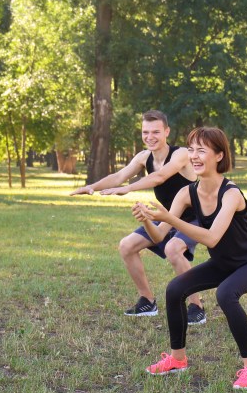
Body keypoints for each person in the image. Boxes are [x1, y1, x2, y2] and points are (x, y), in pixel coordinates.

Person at [133, 126, 247, 390]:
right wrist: (150, 220)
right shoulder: (187, 193)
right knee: (175, 289)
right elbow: (159, 235)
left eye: (202, 150)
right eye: (191, 149)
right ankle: (177, 359)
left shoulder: (231, 194)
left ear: (219, 155)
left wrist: (170, 218)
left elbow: (211, 238)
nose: (194, 156)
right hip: (223, 263)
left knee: (226, 294)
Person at [70, 110, 206, 324]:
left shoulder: (180, 154)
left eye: (155, 132)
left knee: (173, 250)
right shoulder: (144, 157)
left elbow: (160, 177)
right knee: (127, 246)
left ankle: (196, 306)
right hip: (167, 215)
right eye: (145, 132)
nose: (150, 137)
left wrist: (128, 189)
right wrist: (92, 187)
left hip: (195, 217)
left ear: (167, 132)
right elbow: (119, 176)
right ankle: (147, 301)